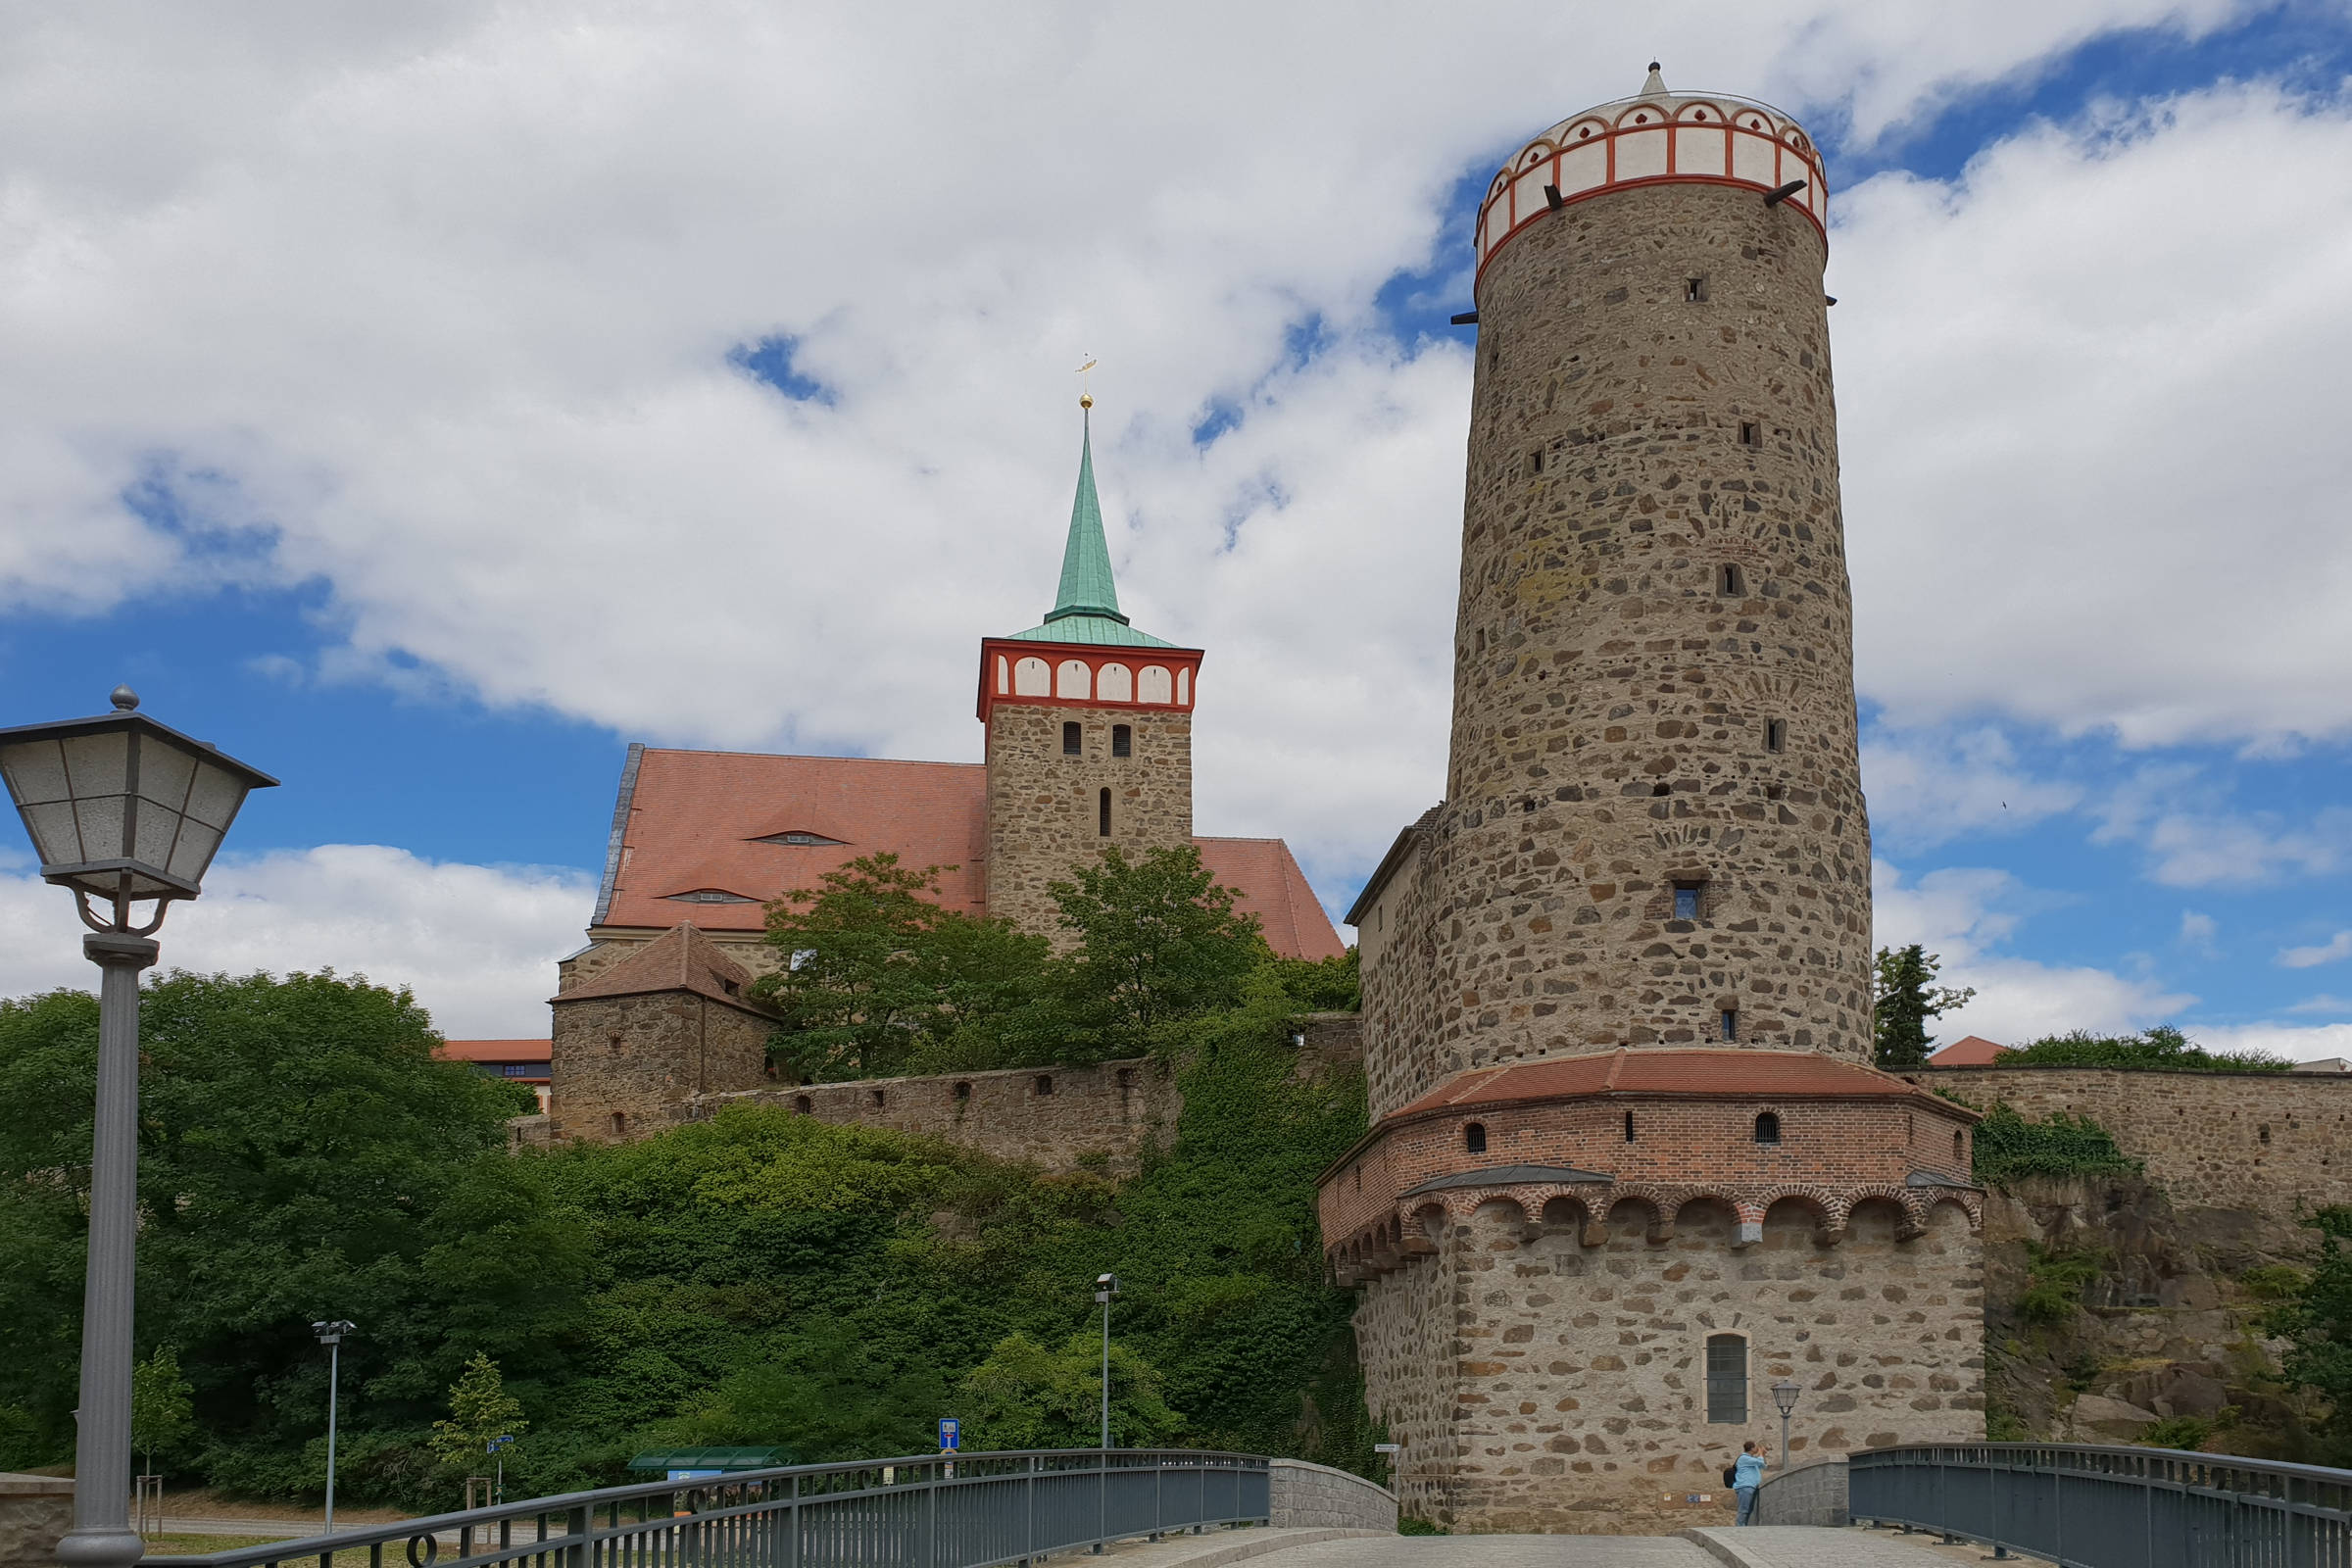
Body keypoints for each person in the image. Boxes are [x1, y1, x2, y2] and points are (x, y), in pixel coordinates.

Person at [1733, 1440, 1766, 1525]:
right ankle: (1739, 1527)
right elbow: (1760, 1462)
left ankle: (1744, 1526)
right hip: (1745, 1486)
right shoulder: (1744, 1458)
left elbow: (1763, 1466)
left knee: (1749, 1509)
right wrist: (1761, 1454)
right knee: (1744, 1509)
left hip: (1750, 1486)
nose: (1757, 1448)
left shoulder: (1750, 1459)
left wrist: (1762, 1455)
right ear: (1751, 1448)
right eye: (1755, 1447)